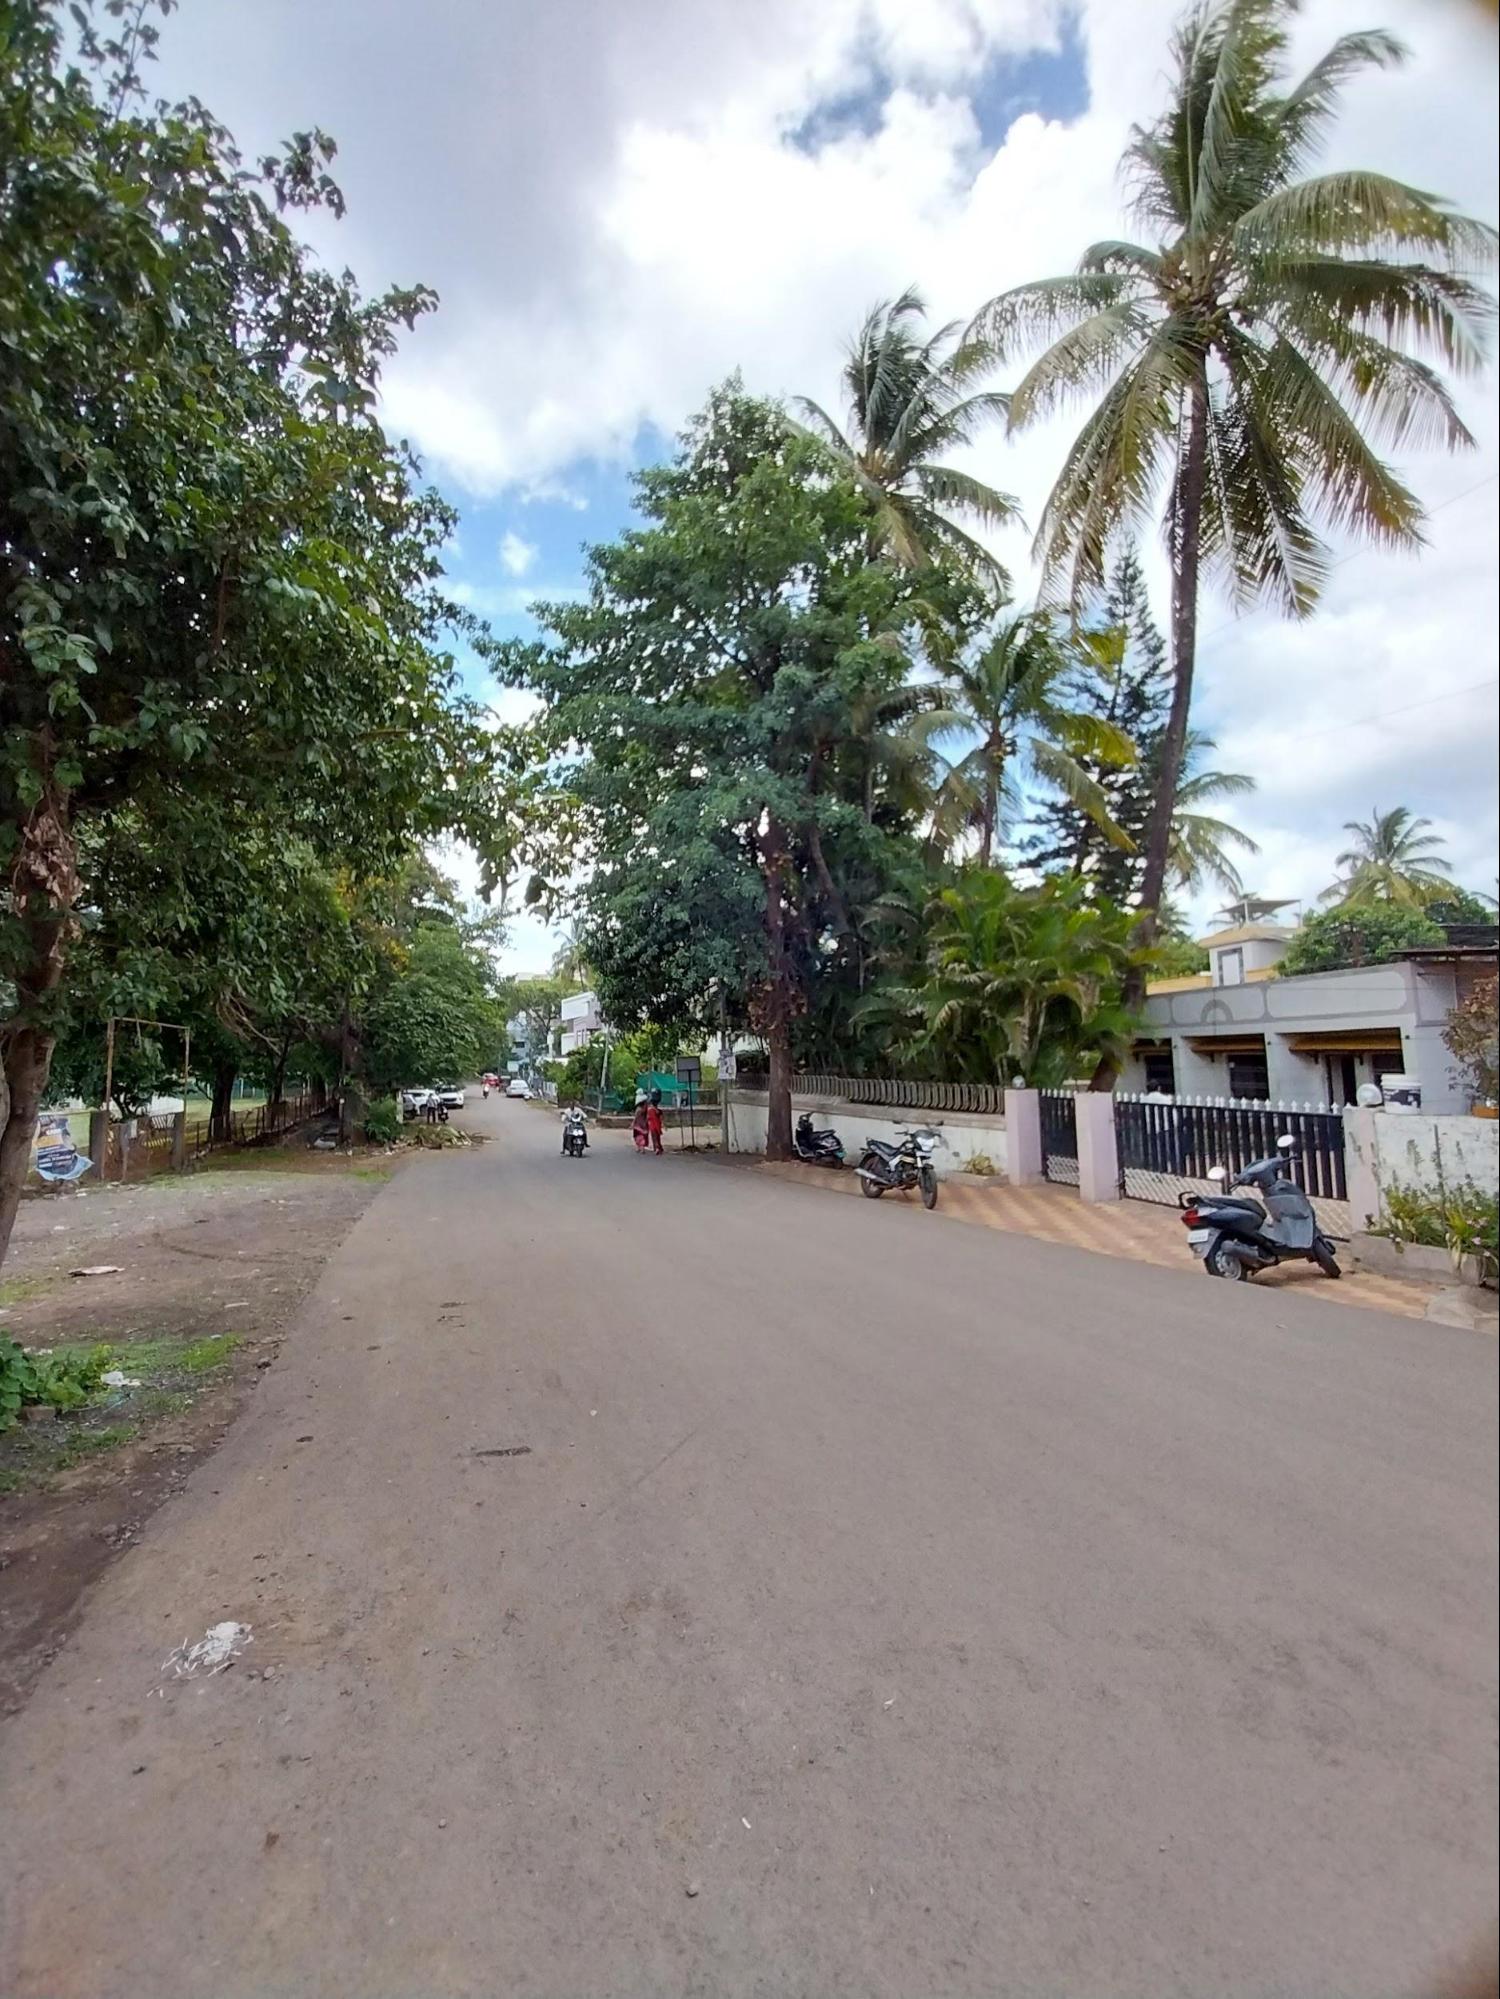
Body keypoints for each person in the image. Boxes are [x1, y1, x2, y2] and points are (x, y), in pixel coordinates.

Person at [647, 1088, 665, 1157]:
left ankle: (657, 1148)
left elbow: (648, 1118)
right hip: (657, 1125)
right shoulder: (658, 1111)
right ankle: (659, 1148)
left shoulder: (650, 1110)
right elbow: (661, 1118)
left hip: (652, 1125)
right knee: (657, 1137)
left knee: (654, 1137)